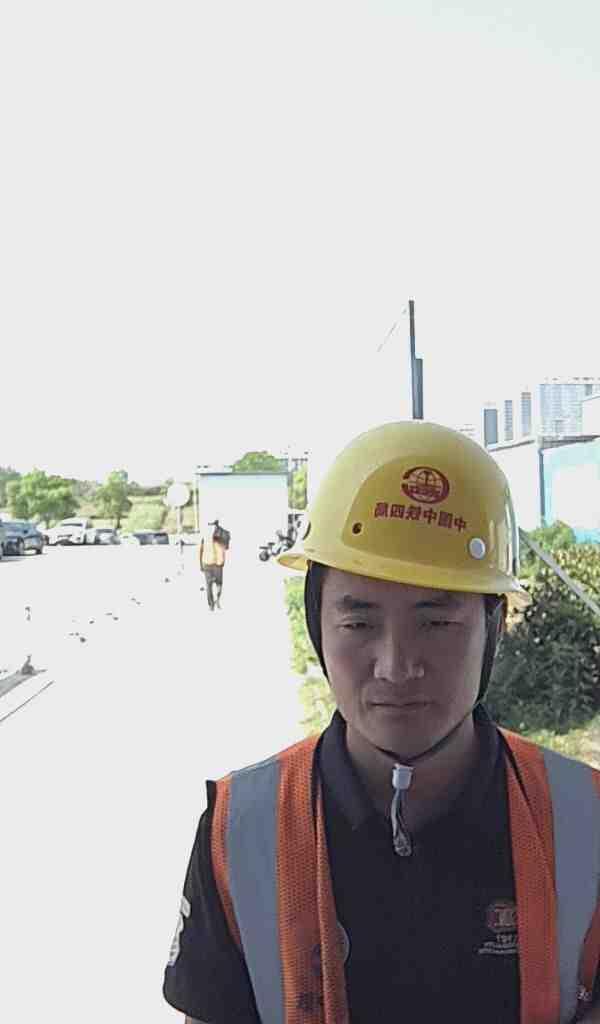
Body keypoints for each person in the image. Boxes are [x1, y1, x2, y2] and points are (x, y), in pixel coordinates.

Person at [164, 421, 600, 1024]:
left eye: (437, 622)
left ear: (493, 626)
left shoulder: (584, 819)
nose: (397, 667)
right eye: (359, 623)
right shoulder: (240, 831)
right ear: (317, 624)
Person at [198, 520, 226, 611]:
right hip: (209, 563)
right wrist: (200, 564)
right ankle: (212, 604)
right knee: (210, 585)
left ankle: (215, 602)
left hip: (217, 563)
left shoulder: (222, 534)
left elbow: (224, 549)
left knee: (217, 585)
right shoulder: (205, 536)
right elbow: (200, 550)